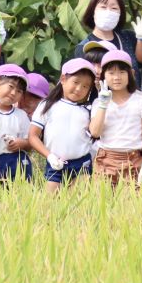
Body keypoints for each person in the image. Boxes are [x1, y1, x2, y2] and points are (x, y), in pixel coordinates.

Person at [29, 58, 97, 193]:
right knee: (50, 205)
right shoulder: (47, 105)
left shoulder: (89, 109)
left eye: (85, 86)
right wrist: (49, 156)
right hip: (55, 163)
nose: (79, 89)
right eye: (76, 82)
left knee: (80, 204)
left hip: (82, 163)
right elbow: (33, 136)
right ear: (63, 79)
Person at [89, 50, 142, 187]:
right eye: (111, 73)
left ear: (131, 74)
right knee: (102, 204)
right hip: (105, 159)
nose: (116, 77)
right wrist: (103, 104)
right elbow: (95, 132)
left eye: (122, 72)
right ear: (103, 76)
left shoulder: (141, 101)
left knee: (132, 206)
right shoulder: (98, 103)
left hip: (133, 159)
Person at [73, 0, 141, 78]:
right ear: (93, 11)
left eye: (114, 8)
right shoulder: (84, 47)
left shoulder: (129, 37)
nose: (108, 12)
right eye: (103, 7)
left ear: (120, 13)